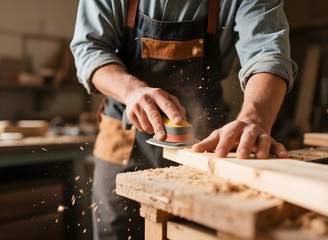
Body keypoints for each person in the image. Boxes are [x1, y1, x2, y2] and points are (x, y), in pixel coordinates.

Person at [70, 0, 297, 239]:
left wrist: (255, 118)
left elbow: (268, 51)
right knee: (115, 230)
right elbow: (89, 48)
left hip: (207, 143)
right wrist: (131, 91)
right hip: (123, 136)